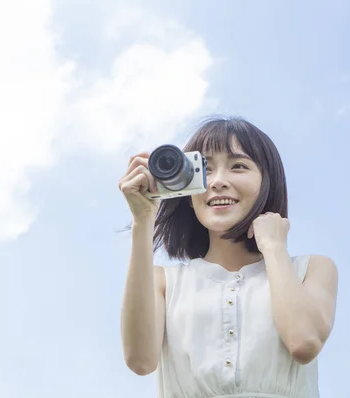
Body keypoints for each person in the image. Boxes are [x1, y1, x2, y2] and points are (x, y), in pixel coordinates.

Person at [118, 116, 338, 398]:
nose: (219, 181)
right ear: (186, 188)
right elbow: (140, 360)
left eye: (238, 166)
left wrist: (272, 246)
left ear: (267, 181)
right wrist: (142, 219)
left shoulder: (312, 269)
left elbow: (304, 342)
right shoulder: (165, 282)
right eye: (205, 169)